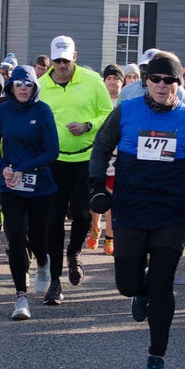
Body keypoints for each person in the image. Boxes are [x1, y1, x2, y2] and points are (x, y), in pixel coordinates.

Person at [89, 51, 185, 369]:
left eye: (170, 80)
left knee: (162, 286)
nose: (162, 85)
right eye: (156, 79)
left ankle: (156, 360)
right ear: (146, 81)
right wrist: (97, 187)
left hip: (171, 213)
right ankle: (139, 292)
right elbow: (101, 147)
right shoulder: (127, 111)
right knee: (128, 284)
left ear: (179, 83)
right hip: (131, 208)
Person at [38, 35, 114, 305]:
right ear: (51, 59)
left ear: (75, 57)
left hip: (86, 159)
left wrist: (87, 126)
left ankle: (74, 253)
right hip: (54, 162)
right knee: (53, 221)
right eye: (57, 60)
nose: (61, 65)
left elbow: (108, 113)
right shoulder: (40, 86)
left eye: (66, 60)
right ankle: (55, 282)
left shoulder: (92, 81)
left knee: (84, 214)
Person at [0, 65, 59, 320]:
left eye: (28, 84)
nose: (23, 89)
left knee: (38, 238)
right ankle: (20, 297)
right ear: (11, 87)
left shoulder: (43, 111)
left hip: (39, 184)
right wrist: (4, 167)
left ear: (35, 87)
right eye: (18, 84)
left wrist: (23, 167)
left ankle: (43, 263)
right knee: (16, 238)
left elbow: (52, 151)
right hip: (10, 185)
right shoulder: (3, 110)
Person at [87, 64, 124, 254]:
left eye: (116, 78)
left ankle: (110, 238)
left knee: (112, 198)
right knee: (96, 196)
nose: (112, 81)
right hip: (98, 153)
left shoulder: (125, 102)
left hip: (118, 156)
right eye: (109, 78)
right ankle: (95, 228)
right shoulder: (97, 99)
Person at [120, 49, 185, 108]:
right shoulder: (127, 91)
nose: (146, 71)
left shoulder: (179, 91)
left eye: (151, 68)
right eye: (144, 67)